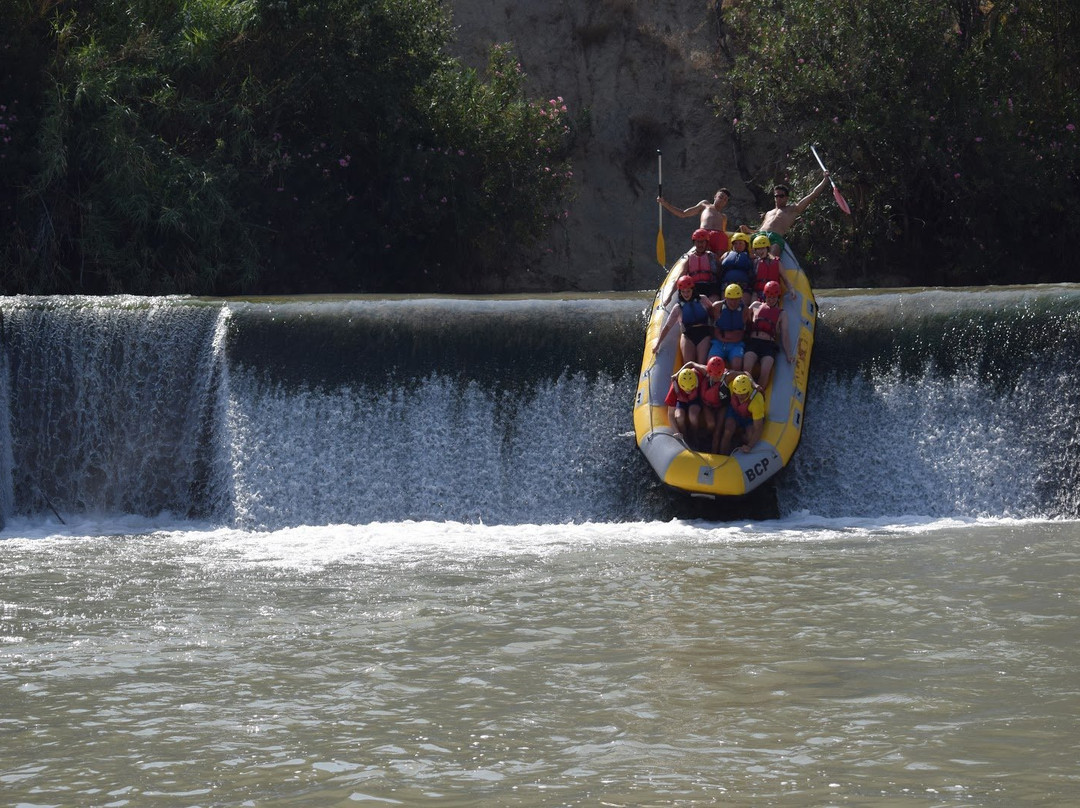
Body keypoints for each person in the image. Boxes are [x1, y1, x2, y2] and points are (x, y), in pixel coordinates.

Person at [740, 174, 830, 256]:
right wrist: (748, 230)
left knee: (774, 252)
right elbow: (759, 230)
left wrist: (825, 180)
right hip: (760, 235)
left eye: (781, 196)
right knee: (741, 243)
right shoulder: (768, 213)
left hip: (774, 237)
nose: (778, 198)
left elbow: (812, 195)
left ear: (787, 198)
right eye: (776, 196)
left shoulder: (793, 209)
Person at [684, 355, 742, 454]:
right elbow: (691, 363)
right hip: (706, 404)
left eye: (718, 374)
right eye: (712, 374)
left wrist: (755, 385)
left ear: (722, 371)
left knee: (717, 432)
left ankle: (716, 455)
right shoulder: (705, 370)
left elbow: (744, 374)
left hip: (722, 405)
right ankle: (699, 438)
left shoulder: (727, 376)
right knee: (711, 424)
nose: (715, 377)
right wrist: (677, 374)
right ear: (709, 370)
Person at [654, 274, 717, 365]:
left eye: (688, 291)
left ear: (693, 290)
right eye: (683, 292)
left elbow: (713, 313)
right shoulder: (678, 308)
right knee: (688, 363)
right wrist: (657, 344)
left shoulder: (703, 299)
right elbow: (667, 327)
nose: (686, 294)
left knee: (701, 363)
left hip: (704, 334)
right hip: (688, 335)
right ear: (680, 292)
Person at [742, 280, 793, 389]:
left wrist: (788, 354)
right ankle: (746, 391)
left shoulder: (782, 314)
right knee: (747, 367)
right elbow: (743, 319)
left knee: (765, 370)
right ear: (765, 295)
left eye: (774, 297)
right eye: (769, 297)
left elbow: (785, 335)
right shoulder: (755, 305)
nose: (771, 300)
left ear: (778, 297)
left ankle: (759, 394)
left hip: (768, 345)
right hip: (753, 342)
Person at [657, 188, 731, 255]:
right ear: (715, 197)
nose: (722, 200)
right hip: (704, 235)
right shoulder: (705, 205)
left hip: (719, 238)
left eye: (725, 199)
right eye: (720, 197)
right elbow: (683, 214)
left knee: (720, 257)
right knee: (701, 256)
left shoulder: (723, 217)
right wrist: (664, 203)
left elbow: (724, 232)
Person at [720, 373, 766, 455]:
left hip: (749, 418)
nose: (740, 396)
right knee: (727, 431)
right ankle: (722, 455)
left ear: (748, 389)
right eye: (738, 393)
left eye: (743, 393)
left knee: (750, 437)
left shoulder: (756, 401)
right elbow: (741, 373)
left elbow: (758, 428)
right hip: (734, 412)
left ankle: (740, 437)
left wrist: (750, 446)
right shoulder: (732, 385)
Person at [707, 283, 746, 372]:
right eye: (730, 300)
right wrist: (720, 336)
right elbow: (712, 323)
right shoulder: (717, 306)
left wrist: (732, 337)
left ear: (740, 299)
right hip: (718, 343)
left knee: (737, 366)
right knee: (711, 364)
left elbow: (743, 330)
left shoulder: (745, 310)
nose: (733, 303)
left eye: (736, 300)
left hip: (736, 344)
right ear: (725, 298)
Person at [663, 365, 705, 444]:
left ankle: (694, 435)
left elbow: (693, 364)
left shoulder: (698, 375)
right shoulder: (674, 387)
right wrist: (676, 432)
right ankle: (684, 436)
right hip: (681, 401)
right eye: (686, 390)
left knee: (693, 416)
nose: (688, 391)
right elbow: (671, 414)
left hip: (695, 399)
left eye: (691, 389)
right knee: (679, 417)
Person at [751, 235, 794, 301]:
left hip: (773, 293)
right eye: (758, 249)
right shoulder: (755, 262)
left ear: (767, 249)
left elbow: (785, 279)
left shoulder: (776, 262)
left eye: (762, 248)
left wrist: (791, 289)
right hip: (759, 292)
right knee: (754, 297)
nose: (760, 251)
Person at [719, 232, 754, 307]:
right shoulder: (726, 254)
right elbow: (718, 266)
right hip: (727, 284)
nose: (738, 245)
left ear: (746, 245)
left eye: (741, 243)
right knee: (725, 306)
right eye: (736, 243)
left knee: (743, 306)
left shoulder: (750, 256)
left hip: (744, 285)